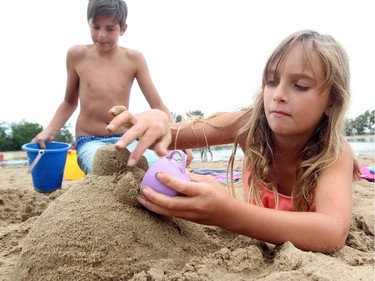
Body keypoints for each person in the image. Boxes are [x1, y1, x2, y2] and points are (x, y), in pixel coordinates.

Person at [107, 30, 358, 253]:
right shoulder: (247, 126)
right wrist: (158, 120)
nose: (278, 95)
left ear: (332, 102)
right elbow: (172, 136)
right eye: (271, 81)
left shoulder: (334, 152)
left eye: (300, 86)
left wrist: (227, 213)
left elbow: (331, 233)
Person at [31, 0, 178, 174]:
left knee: (164, 170)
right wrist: (50, 130)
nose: (101, 35)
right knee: (106, 172)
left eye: (110, 29)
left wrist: (177, 137)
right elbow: (69, 102)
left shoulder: (134, 59)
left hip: (126, 138)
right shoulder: (77, 55)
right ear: (88, 23)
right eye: (96, 27)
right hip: (89, 140)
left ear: (123, 28)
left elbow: (158, 105)